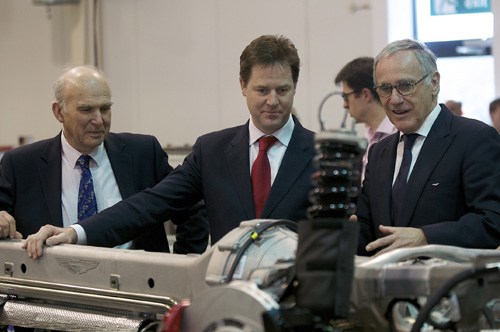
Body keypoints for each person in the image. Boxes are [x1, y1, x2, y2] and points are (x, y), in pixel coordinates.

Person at [24, 34, 317, 259]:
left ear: (295, 85)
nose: (273, 100)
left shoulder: (325, 157)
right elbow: (148, 204)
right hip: (229, 303)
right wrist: (76, 233)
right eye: (262, 90)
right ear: (242, 86)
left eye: (282, 89)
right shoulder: (212, 151)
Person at [0, 65, 208, 254]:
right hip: (55, 286)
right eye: (86, 109)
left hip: (137, 286)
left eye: (105, 108)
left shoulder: (142, 153)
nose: (99, 120)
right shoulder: (21, 164)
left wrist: (179, 265)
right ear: (58, 112)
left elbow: (191, 209)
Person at [353, 39, 500, 257]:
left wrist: (425, 237)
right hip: (386, 286)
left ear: (434, 83)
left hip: (449, 286)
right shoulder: (379, 152)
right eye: (385, 88)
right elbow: (367, 227)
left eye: (405, 86)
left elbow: (492, 221)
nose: (394, 99)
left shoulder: (474, 139)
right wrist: (340, 235)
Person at [334, 56, 397, 183]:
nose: (344, 105)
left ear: (365, 95)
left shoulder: (399, 135)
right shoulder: (369, 136)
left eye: (346, 97)